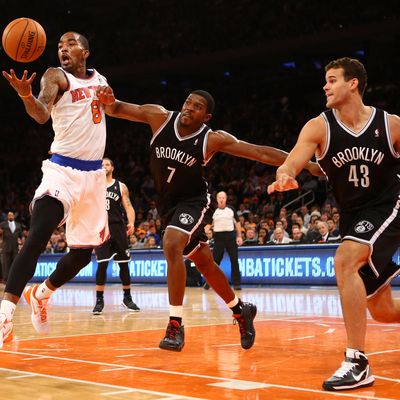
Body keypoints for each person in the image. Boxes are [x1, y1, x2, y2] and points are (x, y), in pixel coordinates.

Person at [98, 87, 322, 351]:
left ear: (207, 116)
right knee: (204, 263)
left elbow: (259, 152)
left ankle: (175, 325)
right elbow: (118, 108)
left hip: (193, 201)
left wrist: (304, 164)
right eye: (187, 102)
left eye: (197, 106)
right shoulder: (159, 117)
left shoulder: (211, 139)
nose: (189, 108)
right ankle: (241, 312)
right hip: (166, 205)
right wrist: (106, 100)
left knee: (171, 243)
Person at [268, 57, 400, 391]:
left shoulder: (391, 125)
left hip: (390, 206)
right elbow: (294, 159)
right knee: (383, 310)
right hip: (354, 218)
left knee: (344, 260)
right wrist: (285, 175)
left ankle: (357, 361)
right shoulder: (319, 126)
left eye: (331, 80)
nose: (325, 87)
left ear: (352, 83)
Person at [0, 32, 113, 348]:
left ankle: (41, 293)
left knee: (81, 256)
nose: (63, 49)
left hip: (93, 178)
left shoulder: (101, 79)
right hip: (62, 169)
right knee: (39, 232)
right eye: (60, 46)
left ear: (85, 51)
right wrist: (26, 96)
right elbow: (41, 113)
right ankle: (5, 315)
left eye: (70, 44)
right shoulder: (55, 76)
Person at [92, 158, 140, 315]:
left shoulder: (120, 186)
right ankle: (99, 300)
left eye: (107, 164)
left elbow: (128, 206)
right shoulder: (94, 186)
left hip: (118, 227)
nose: (104, 166)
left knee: (124, 264)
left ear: (112, 167)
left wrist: (131, 222)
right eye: (102, 165)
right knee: (102, 264)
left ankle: (127, 298)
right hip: (101, 228)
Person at [207, 191, 243, 290]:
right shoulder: (213, 211)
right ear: (217, 199)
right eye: (219, 197)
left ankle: (236, 283)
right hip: (218, 237)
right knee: (215, 261)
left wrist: (239, 236)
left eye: (223, 197)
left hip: (231, 237)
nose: (221, 199)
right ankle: (209, 282)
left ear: (226, 199)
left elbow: (238, 223)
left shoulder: (231, 209)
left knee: (234, 260)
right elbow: (209, 224)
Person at [0, 212, 22, 284]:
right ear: (7, 216)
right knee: (6, 264)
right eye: (9, 215)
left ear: (14, 216)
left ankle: (14, 279)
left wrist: (21, 242)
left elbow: (20, 236)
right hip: (6, 247)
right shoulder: (2, 225)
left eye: (12, 215)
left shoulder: (18, 225)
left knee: (15, 264)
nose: (11, 216)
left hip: (15, 247)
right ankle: (5, 279)